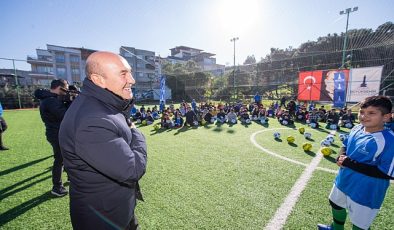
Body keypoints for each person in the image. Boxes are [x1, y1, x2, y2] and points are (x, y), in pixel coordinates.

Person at [59, 51, 147, 230]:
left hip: (119, 211)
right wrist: (137, 134)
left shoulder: (103, 104)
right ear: (99, 80)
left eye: (129, 72)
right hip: (103, 219)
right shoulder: (92, 121)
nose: (132, 79)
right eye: (123, 73)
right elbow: (132, 169)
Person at [318, 96, 394, 230]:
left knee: (359, 224)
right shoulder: (357, 128)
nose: (364, 116)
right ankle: (336, 228)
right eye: (362, 112)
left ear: (386, 117)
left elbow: (386, 173)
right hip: (344, 180)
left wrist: (350, 163)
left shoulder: (389, 141)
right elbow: (345, 144)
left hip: (366, 190)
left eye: (371, 113)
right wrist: (341, 155)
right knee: (335, 203)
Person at [35, 79, 69, 197]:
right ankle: (57, 187)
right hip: (56, 134)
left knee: (64, 158)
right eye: (65, 89)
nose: (66, 92)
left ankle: (68, 176)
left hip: (55, 133)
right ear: (60, 88)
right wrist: (70, 104)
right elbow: (65, 116)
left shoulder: (50, 99)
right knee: (59, 160)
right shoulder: (51, 101)